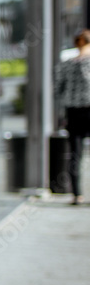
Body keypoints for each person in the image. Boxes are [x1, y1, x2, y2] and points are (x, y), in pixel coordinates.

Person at [55, 29, 90, 204]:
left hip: (73, 111)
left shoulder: (67, 64)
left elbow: (57, 90)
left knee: (75, 153)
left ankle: (77, 194)